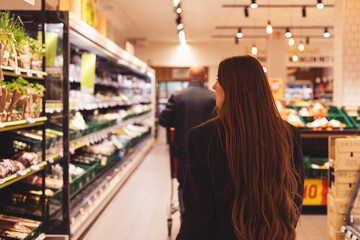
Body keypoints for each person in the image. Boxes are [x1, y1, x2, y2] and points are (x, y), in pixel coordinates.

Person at [177, 56, 304, 240]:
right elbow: (295, 197)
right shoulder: (288, 134)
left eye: (219, 80)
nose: (214, 87)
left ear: (233, 87)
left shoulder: (203, 137)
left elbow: (197, 213)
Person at [159, 66, 216, 219]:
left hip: (184, 151)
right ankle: (203, 222)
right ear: (204, 78)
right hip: (209, 152)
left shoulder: (177, 97)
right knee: (207, 186)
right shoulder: (213, 97)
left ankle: (186, 220)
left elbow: (164, 120)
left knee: (184, 185)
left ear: (188, 78)